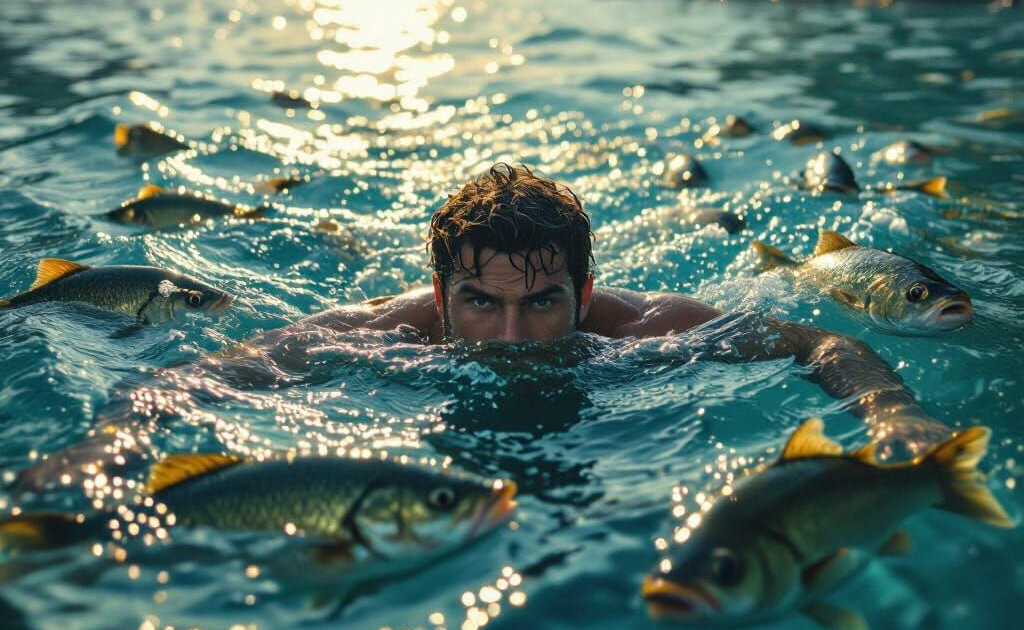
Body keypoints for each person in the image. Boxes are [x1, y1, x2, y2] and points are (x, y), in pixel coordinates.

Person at [16, 163, 950, 490]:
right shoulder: (378, 330)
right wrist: (113, 441)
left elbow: (827, 343)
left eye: (542, 303)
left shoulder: (643, 327)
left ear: (586, 297)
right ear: (439, 292)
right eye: (482, 303)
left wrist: (890, 413)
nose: (508, 335)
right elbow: (198, 376)